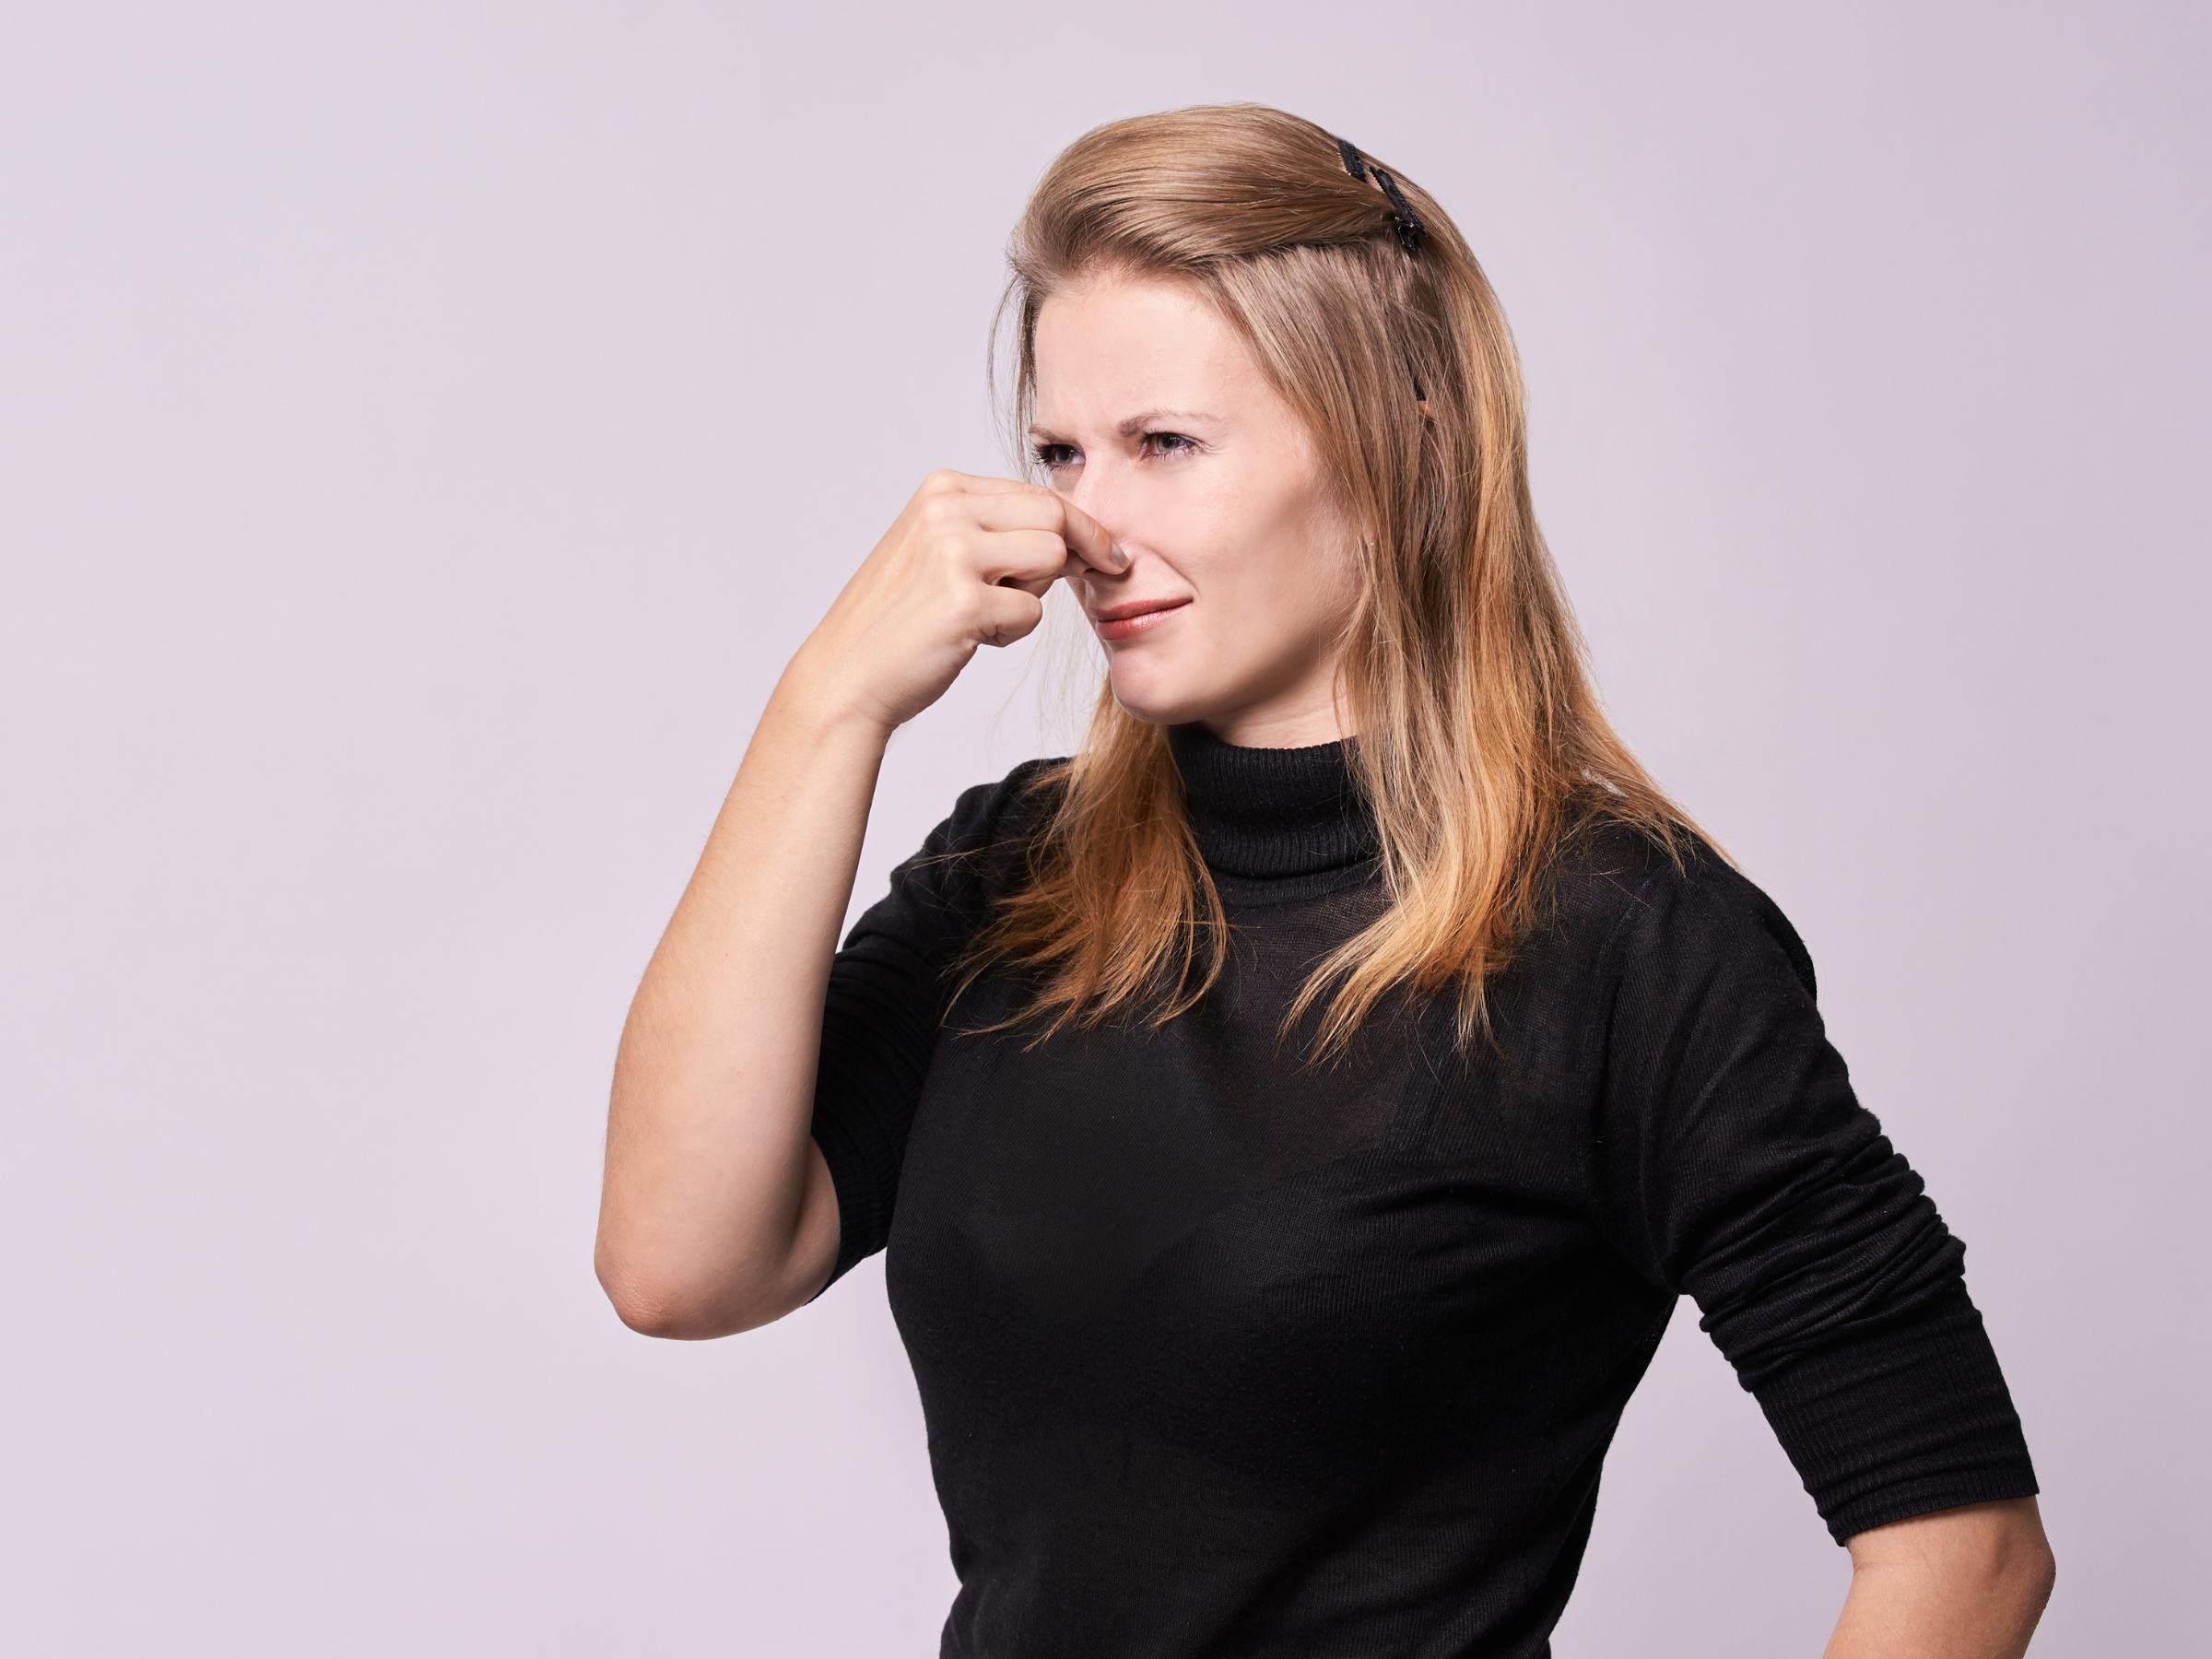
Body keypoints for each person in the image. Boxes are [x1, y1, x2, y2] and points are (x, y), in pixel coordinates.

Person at [594, 104, 2053, 1658]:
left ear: (1397, 435)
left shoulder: (1627, 939)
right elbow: (679, 1265)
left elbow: (1963, 1551)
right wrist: (830, 701)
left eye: (1166, 444)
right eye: (1061, 453)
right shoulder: (1015, 871)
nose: (1090, 525)